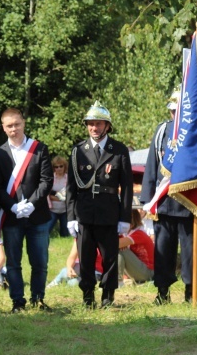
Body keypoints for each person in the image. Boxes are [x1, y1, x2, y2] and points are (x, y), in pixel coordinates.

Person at [141, 87, 197, 304]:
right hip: (166, 202)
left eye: (178, 112)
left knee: (191, 254)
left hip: (193, 204)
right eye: (172, 112)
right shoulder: (162, 131)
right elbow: (152, 167)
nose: (174, 116)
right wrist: (147, 200)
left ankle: (191, 293)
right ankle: (162, 293)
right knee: (163, 252)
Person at [66, 101, 133, 308]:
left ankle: (108, 296)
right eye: (90, 124)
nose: (94, 128)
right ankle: (87, 297)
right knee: (85, 258)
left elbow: (127, 187)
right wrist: (70, 218)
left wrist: (125, 218)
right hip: (84, 212)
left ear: (107, 126)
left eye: (98, 124)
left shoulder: (119, 150)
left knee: (110, 257)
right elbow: (71, 187)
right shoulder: (78, 150)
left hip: (109, 211)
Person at [0, 108, 53, 313]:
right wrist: (13, 206)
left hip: (38, 216)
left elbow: (46, 181)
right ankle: (18, 301)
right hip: (12, 217)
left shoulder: (39, 148)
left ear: (23, 123)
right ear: (3, 127)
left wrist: (32, 203)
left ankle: (38, 298)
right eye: (9, 126)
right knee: (14, 263)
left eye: (17, 124)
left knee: (40, 262)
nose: (14, 129)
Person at [118, 209, 154, 283]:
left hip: (147, 272)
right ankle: (119, 279)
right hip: (138, 269)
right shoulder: (125, 234)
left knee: (120, 250)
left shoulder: (139, 233)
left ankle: (117, 280)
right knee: (119, 249)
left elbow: (115, 244)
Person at [48, 155, 69, 237]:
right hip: (52, 209)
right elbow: (47, 195)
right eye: (56, 167)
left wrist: (57, 195)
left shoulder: (68, 178)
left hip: (65, 210)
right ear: (53, 168)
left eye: (61, 166)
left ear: (65, 166)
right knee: (47, 230)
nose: (59, 168)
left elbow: (70, 194)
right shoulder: (50, 178)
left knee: (65, 233)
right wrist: (61, 197)